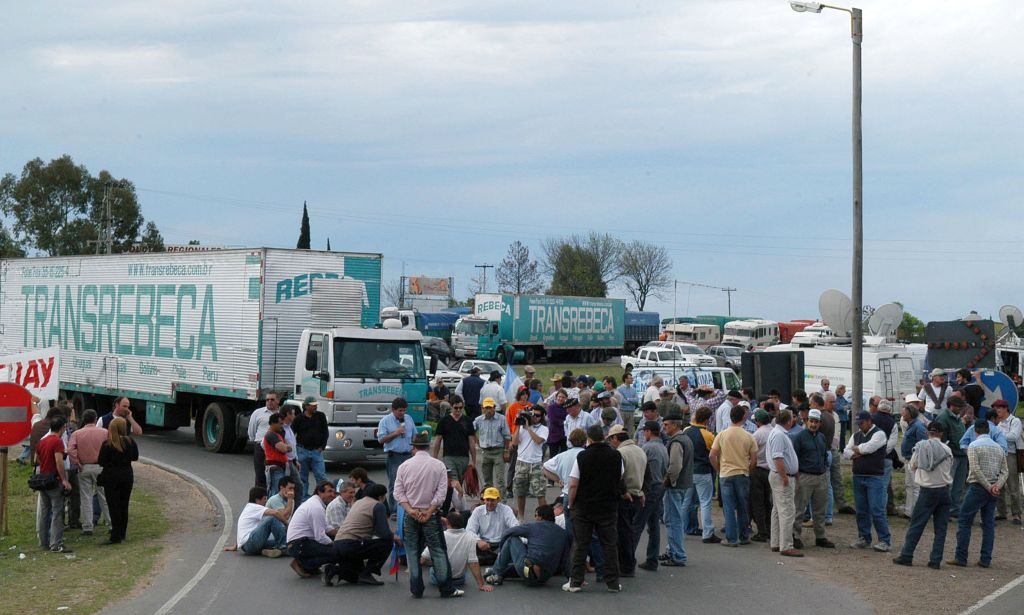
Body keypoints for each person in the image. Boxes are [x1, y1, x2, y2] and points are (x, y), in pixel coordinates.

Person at [394, 431, 464, 598]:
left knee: (412, 551)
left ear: (414, 447)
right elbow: (441, 494)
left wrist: (411, 510)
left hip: (411, 514)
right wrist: (429, 512)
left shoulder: (404, 466)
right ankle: (446, 589)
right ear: (428, 446)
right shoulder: (438, 465)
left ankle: (416, 590)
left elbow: (398, 492)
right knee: (438, 551)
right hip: (430, 513)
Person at [565, 425, 624, 593]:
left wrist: (571, 503)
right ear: (604, 437)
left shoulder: (582, 456)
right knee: (609, 545)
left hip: (584, 507)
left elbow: (574, 484)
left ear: (588, 439)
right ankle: (612, 582)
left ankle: (575, 582)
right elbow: (620, 477)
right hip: (608, 506)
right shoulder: (616, 455)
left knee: (581, 544)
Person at [947, 419, 1009, 568]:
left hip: (978, 487)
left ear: (976, 431)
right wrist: (996, 486)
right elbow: (1004, 471)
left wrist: (987, 486)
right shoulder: (999, 448)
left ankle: (961, 557)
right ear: (988, 430)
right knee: (988, 524)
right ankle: (985, 558)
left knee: (964, 520)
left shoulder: (973, 446)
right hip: (993, 489)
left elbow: (975, 469)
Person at [892, 421, 953, 569]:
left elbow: (912, 465)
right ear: (941, 433)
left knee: (917, 525)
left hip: (927, 490)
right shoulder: (947, 450)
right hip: (944, 490)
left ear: (927, 433)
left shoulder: (921, 447)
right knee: (941, 529)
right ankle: (935, 560)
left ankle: (907, 555)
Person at [486, 504, 571, 587]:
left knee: (512, 539)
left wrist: (501, 552)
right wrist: (571, 578)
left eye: (535, 515)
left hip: (528, 570)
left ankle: (496, 574)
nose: (535, 518)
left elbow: (507, 533)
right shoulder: (563, 533)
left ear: (540, 517)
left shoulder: (534, 526)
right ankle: (494, 571)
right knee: (523, 563)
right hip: (544, 577)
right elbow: (566, 559)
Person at [327, 483, 394, 586]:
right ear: (381, 496)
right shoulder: (378, 505)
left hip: (337, 544)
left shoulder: (358, 503)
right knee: (387, 542)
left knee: (356, 577)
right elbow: (384, 534)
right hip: (352, 545)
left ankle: (335, 571)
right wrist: (395, 538)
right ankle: (367, 573)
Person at [710, 404, 758, 547]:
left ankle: (731, 538)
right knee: (743, 506)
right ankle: (744, 536)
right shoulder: (749, 436)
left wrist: (719, 470)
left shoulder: (722, 434)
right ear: (744, 417)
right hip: (742, 473)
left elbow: (712, 455)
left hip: (726, 474)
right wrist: (748, 469)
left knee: (729, 507)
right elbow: (754, 459)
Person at [844, 411, 891, 552]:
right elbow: (846, 452)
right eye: (858, 423)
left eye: (862, 423)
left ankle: (885, 540)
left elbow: (869, 448)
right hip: (858, 476)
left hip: (874, 477)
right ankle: (864, 537)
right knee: (861, 510)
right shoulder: (856, 435)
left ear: (869, 421)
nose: (860, 426)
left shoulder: (879, 434)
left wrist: (857, 450)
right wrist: (857, 452)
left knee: (877, 509)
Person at [791, 409, 835, 549]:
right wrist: (797, 475)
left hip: (821, 477)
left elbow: (824, 455)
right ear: (806, 421)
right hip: (804, 476)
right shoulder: (799, 437)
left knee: (820, 509)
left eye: (816, 422)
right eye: (811, 421)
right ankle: (795, 536)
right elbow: (794, 457)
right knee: (799, 508)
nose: (813, 424)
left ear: (820, 423)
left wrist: (824, 468)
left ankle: (820, 537)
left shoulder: (821, 437)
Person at [608, 423, 646, 577]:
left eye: (611, 439)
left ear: (615, 438)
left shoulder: (620, 453)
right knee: (629, 531)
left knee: (622, 533)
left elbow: (618, 476)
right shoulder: (640, 450)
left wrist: (623, 492)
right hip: (637, 493)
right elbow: (647, 474)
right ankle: (628, 563)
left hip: (626, 496)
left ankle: (626, 565)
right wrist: (643, 491)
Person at [67, 409, 111, 536]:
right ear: (95, 419)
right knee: (104, 496)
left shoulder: (77, 433)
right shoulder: (104, 432)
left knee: (86, 497)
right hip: (101, 467)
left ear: (84, 420)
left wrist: (77, 461)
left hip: (84, 467)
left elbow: (70, 449)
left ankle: (87, 526)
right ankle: (110, 523)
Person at [422, 510, 491, 591]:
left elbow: (423, 560)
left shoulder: (439, 536)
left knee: (432, 569)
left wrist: (437, 562)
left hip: (439, 579)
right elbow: (473, 563)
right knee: (465, 571)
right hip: (459, 580)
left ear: (447, 522)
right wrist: (482, 585)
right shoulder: (470, 538)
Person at [98, 417, 139, 545]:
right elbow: (135, 457)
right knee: (124, 504)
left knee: (113, 505)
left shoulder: (108, 444)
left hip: (111, 476)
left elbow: (101, 461)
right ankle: (122, 533)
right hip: (127, 475)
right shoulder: (130, 442)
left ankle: (115, 535)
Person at [35, 416, 73, 552]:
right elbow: (59, 462)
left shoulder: (42, 441)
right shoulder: (57, 442)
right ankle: (56, 544)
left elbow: (37, 459)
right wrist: (64, 479)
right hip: (54, 481)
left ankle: (43, 542)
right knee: (57, 512)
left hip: (42, 480)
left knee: (44, 513)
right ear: (62, 428)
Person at [634, 421, 668, 570]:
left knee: (637, 524)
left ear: (648, 432)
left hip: (650, 488)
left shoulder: (647, 448)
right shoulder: (663, 447)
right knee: (653, 526)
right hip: (660, 486)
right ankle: (652, 559)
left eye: (644, 432)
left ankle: (627, 559)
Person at [286, 480, 339, 578]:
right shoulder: (316, 507)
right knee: (337, 552)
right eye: (329, 491)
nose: (332, 495)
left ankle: (310, 566)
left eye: (334, 492)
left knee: (335, 546)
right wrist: (337, 545)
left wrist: (341, 534)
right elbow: (321, 537)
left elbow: (326, 527)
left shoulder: (315, 503)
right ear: (319, 492)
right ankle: (303, 563)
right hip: (298, 544)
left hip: (300, 542)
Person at [661, 411, 693, 567]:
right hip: (683, 483)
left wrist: (667, 481)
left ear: (674, 425)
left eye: (666, 425)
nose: (664, 427)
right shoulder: (685, 438)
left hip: (675, 485)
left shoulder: (676, 442)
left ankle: (678, 555)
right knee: (674, 519)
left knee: (673, 521)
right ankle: (672, 550)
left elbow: (674, 466)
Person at [682, 406, 719, 543]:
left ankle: (680, 529)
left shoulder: (686, 431)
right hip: (702, 471)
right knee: (705, 502)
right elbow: (713, 454)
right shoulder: (708, 435)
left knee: (685, 501)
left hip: (688, 470)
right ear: (707, 419)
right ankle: (708, 532)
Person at [768, 410, 801, 557]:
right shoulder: (779, 435)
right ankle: (786, 545)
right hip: (781, 476)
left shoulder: (778, 433)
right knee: (787, 511)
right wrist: (784, 476)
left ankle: (776, 542)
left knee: (777, 509)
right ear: (788, 421)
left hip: (779, 475)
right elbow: (778, 457)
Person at [378, 397, 416, 514]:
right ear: (393, 410)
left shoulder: (408, 419)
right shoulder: (385, 421)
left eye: (404, 410)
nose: (402, 413)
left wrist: (415, 449)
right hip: (394, 456)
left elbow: (414, 434)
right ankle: (394, 510)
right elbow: (381, 440)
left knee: (410, 483)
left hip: (408, 455)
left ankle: (408, 508)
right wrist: (396, 433)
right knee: (395, 483)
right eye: (400, 410)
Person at [231, 486, 289, 557]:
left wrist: (235, 546)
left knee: (277, 542)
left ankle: (270, 550)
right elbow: (275, 513)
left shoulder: (248, 508)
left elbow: (242, 529)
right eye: (264, 499)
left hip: (246, 547)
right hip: (251, 543)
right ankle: (283, 547)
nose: (266, 501)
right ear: (257, 500)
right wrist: (287, 525)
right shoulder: (254, 507)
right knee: (272, 518)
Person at [466, 487, 519, 565]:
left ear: (498, 500)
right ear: (484, 500)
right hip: (484, 544)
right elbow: (469, 530)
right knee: (467, 545)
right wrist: (478, 541)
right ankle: (500, 559)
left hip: (502, 543)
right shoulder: (478, 511)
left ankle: (497, 559)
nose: (490, 503)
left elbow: (515, 525)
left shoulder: (506, 509)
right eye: (487, 500)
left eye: (493, 500)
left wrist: (508, 538)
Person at [513, 404, 549, 518]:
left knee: (540, 493)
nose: (534, 417)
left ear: (542, 417)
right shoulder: (522, 427)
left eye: (538, 416)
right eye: (533, 414)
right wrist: (518, 425)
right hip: (521, 463)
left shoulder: (544, 429)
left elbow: (538, 441)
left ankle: (544, 518)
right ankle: (521, 518)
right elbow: (514, 442)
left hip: (536, 464)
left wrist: (528, 428)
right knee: (520, 493)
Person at [935, 395, 968, 517]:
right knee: (948, 484)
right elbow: (941, 439)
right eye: (959, 407)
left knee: (959, 485)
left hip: (962, 455)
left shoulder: (957, 418)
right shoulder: (943, 418)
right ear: (952, 406)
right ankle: (944, 510)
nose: (961, 409)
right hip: (952, 456)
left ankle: (954, 508)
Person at [992, 399, 1022, 524]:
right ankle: (1002, 512)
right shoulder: (998, 423)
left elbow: (1014, 436)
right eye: (996, 408)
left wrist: (999, 434)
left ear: (1006, 409)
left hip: (1011, 454)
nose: (997, 410)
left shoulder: (1015, 421)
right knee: (999, 485)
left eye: (1000, 408)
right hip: (999, 454)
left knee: (1013, 485)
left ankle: (1016, 514)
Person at [293, 396, 329, 501]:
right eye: (312, 405)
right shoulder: (299, 418)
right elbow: (292, 432)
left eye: (315, 405)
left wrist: (322, 446)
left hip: (316, 451)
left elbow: (325, 432)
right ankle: (303, 498)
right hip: (302, 450)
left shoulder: (320, 416)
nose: (315, 407)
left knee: (321, 476)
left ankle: (322, 497)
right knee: (302, 477)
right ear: (306, 406)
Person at [474, 398, 511, 497]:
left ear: (494, 408)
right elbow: (470, 431)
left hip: (498, 451)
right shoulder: (479, 420)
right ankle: (488, 500)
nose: (488, 410)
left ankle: (502, 501)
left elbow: (507, 436)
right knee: (487, 480)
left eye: (490, 408)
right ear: (483, 408)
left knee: (500, 480)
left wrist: (506, 451)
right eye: (486, 408)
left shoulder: (501, 419)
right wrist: (478, 442)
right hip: (485, 452)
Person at [433, 396, 477, 479]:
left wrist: (474, 461)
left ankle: (459, 492)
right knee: (453, 481)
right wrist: (434, 458)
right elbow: (438, 440)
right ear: (451, 406)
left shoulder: (467, 421)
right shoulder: (444, 421)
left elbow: (471, 441)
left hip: (464, 457)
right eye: (456, 408)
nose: (458, 410)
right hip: (449, 456)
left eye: (460, 407)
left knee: (460, 481)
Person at [900, 404, 929, 518]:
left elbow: (923, 444)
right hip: (909, 460)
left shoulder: (918, 426)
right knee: (909, 485)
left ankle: (916, 512)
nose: (902, 414)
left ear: (910, 414)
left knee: (916, 486)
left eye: (904, 412)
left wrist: (918, 461)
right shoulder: (912, 425)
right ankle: (909, 511)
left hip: (914, 461)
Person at [749, 409, 774, 542]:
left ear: (758, 421)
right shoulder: (775, 431)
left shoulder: (757, 434)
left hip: (758, 470)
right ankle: (771, 529)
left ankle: (762, 531)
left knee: (757, 502)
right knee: (768, 502)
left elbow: (751, 453)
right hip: (771, 470)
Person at [247, 391, 279, 488]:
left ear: (278, 401)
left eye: (272, 399)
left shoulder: (281, 414)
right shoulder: (258, 413)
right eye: (267, 400)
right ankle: (258, 499)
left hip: (276, 448)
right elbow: (251, 431)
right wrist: (257, 442)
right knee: (260, 474)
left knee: (275, 475)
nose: (269, 402)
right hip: (260, 447)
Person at [262, 413, 291, 492]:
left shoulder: (277, 434)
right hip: (274, 467)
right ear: (272, 423)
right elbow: (283, 449)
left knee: (279, 490)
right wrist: (287, 447)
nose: (282, 426)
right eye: (280, 424)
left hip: (280, 466)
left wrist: (286, 447)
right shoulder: (271, 435)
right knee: (276, 490)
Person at [546, 389, 570, 458]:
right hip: (554, 436)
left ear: (566, 398)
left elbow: (569, 418)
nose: (560, 399)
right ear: (556, 397)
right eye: (559, 396)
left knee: (564, 456)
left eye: (563, 397)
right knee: (553, 457)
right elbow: (553, 420)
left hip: (564, 436)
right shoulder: (551, 407)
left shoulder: (567, 407)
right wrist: (564, 423)